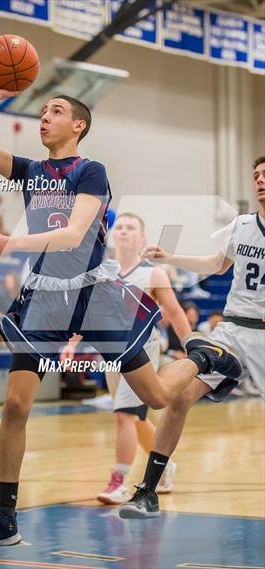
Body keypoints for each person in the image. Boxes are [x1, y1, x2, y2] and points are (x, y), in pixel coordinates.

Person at [0, 85, 242, 550]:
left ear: (78, 126)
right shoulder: (30, 171)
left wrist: (11, 242)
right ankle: (5, 517)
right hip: (45, 298)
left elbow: (73, 235)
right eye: (42, 111)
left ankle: (204, 357)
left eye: (55, 111)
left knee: (155, 397)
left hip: (93, 293)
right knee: (15, 405)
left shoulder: (90, 171)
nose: (44, 117)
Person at [119, 156, 265, 519]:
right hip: (233, 329)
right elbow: (216, 265)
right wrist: (171, 257)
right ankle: (148, 490)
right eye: (256, 175)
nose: (260, 180)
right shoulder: (242, 225)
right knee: (181, 396)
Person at [96, 212, 192, 504]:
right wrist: (72, 342)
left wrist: (193, 347)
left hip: (142, 352)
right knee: (136, 419)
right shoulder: (103, 273)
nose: (124, 231)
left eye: (131, 228)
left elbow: (175, 312)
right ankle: (164, 466)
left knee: (124, 415)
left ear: (142, 237)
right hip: (112, 354)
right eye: (120, 227)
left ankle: (119, 481)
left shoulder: (154, 274)